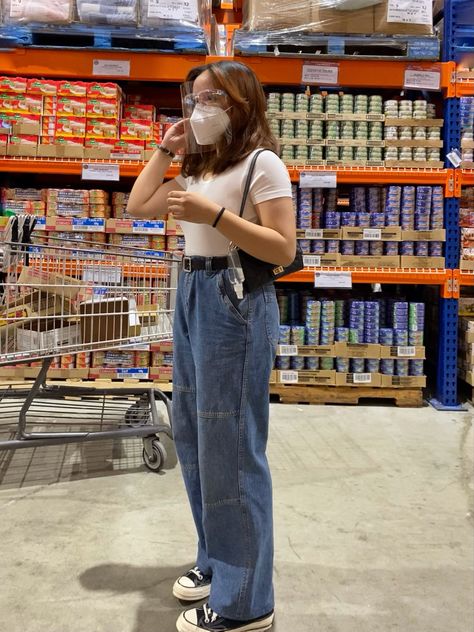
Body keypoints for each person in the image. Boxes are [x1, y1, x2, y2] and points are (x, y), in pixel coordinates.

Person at [127, 60, 296, 632]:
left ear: (240, 103)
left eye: (210, 98)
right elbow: (138, 206)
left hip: (235, 294)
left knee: (232, 442)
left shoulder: (261, 163)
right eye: (192, 98)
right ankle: (216, 559)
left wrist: (216, 216)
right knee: (197, 438)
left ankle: (247, 601)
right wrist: (166, 150)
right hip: (193, 289)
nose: (198, 109)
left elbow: (281, 250)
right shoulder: (201, 166)